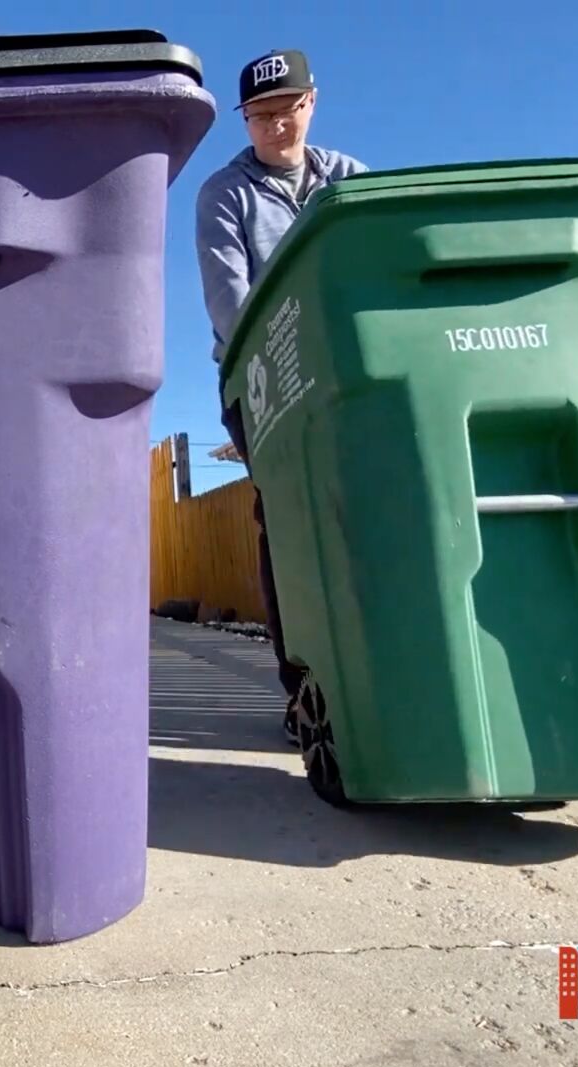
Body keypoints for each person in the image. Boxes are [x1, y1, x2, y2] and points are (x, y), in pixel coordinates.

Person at [194, 48, 367, 743]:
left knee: (362, 511)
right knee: (290, 522)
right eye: (260, 116)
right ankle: (305, 692)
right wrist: (283, 359)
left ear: (311, 103)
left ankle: (368, 670)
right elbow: (228, 302)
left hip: (347, 375)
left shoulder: (348, 180)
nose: (275, 127)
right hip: (262, 377)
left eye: (286, 110)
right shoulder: (224, 195)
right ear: (244, 121)